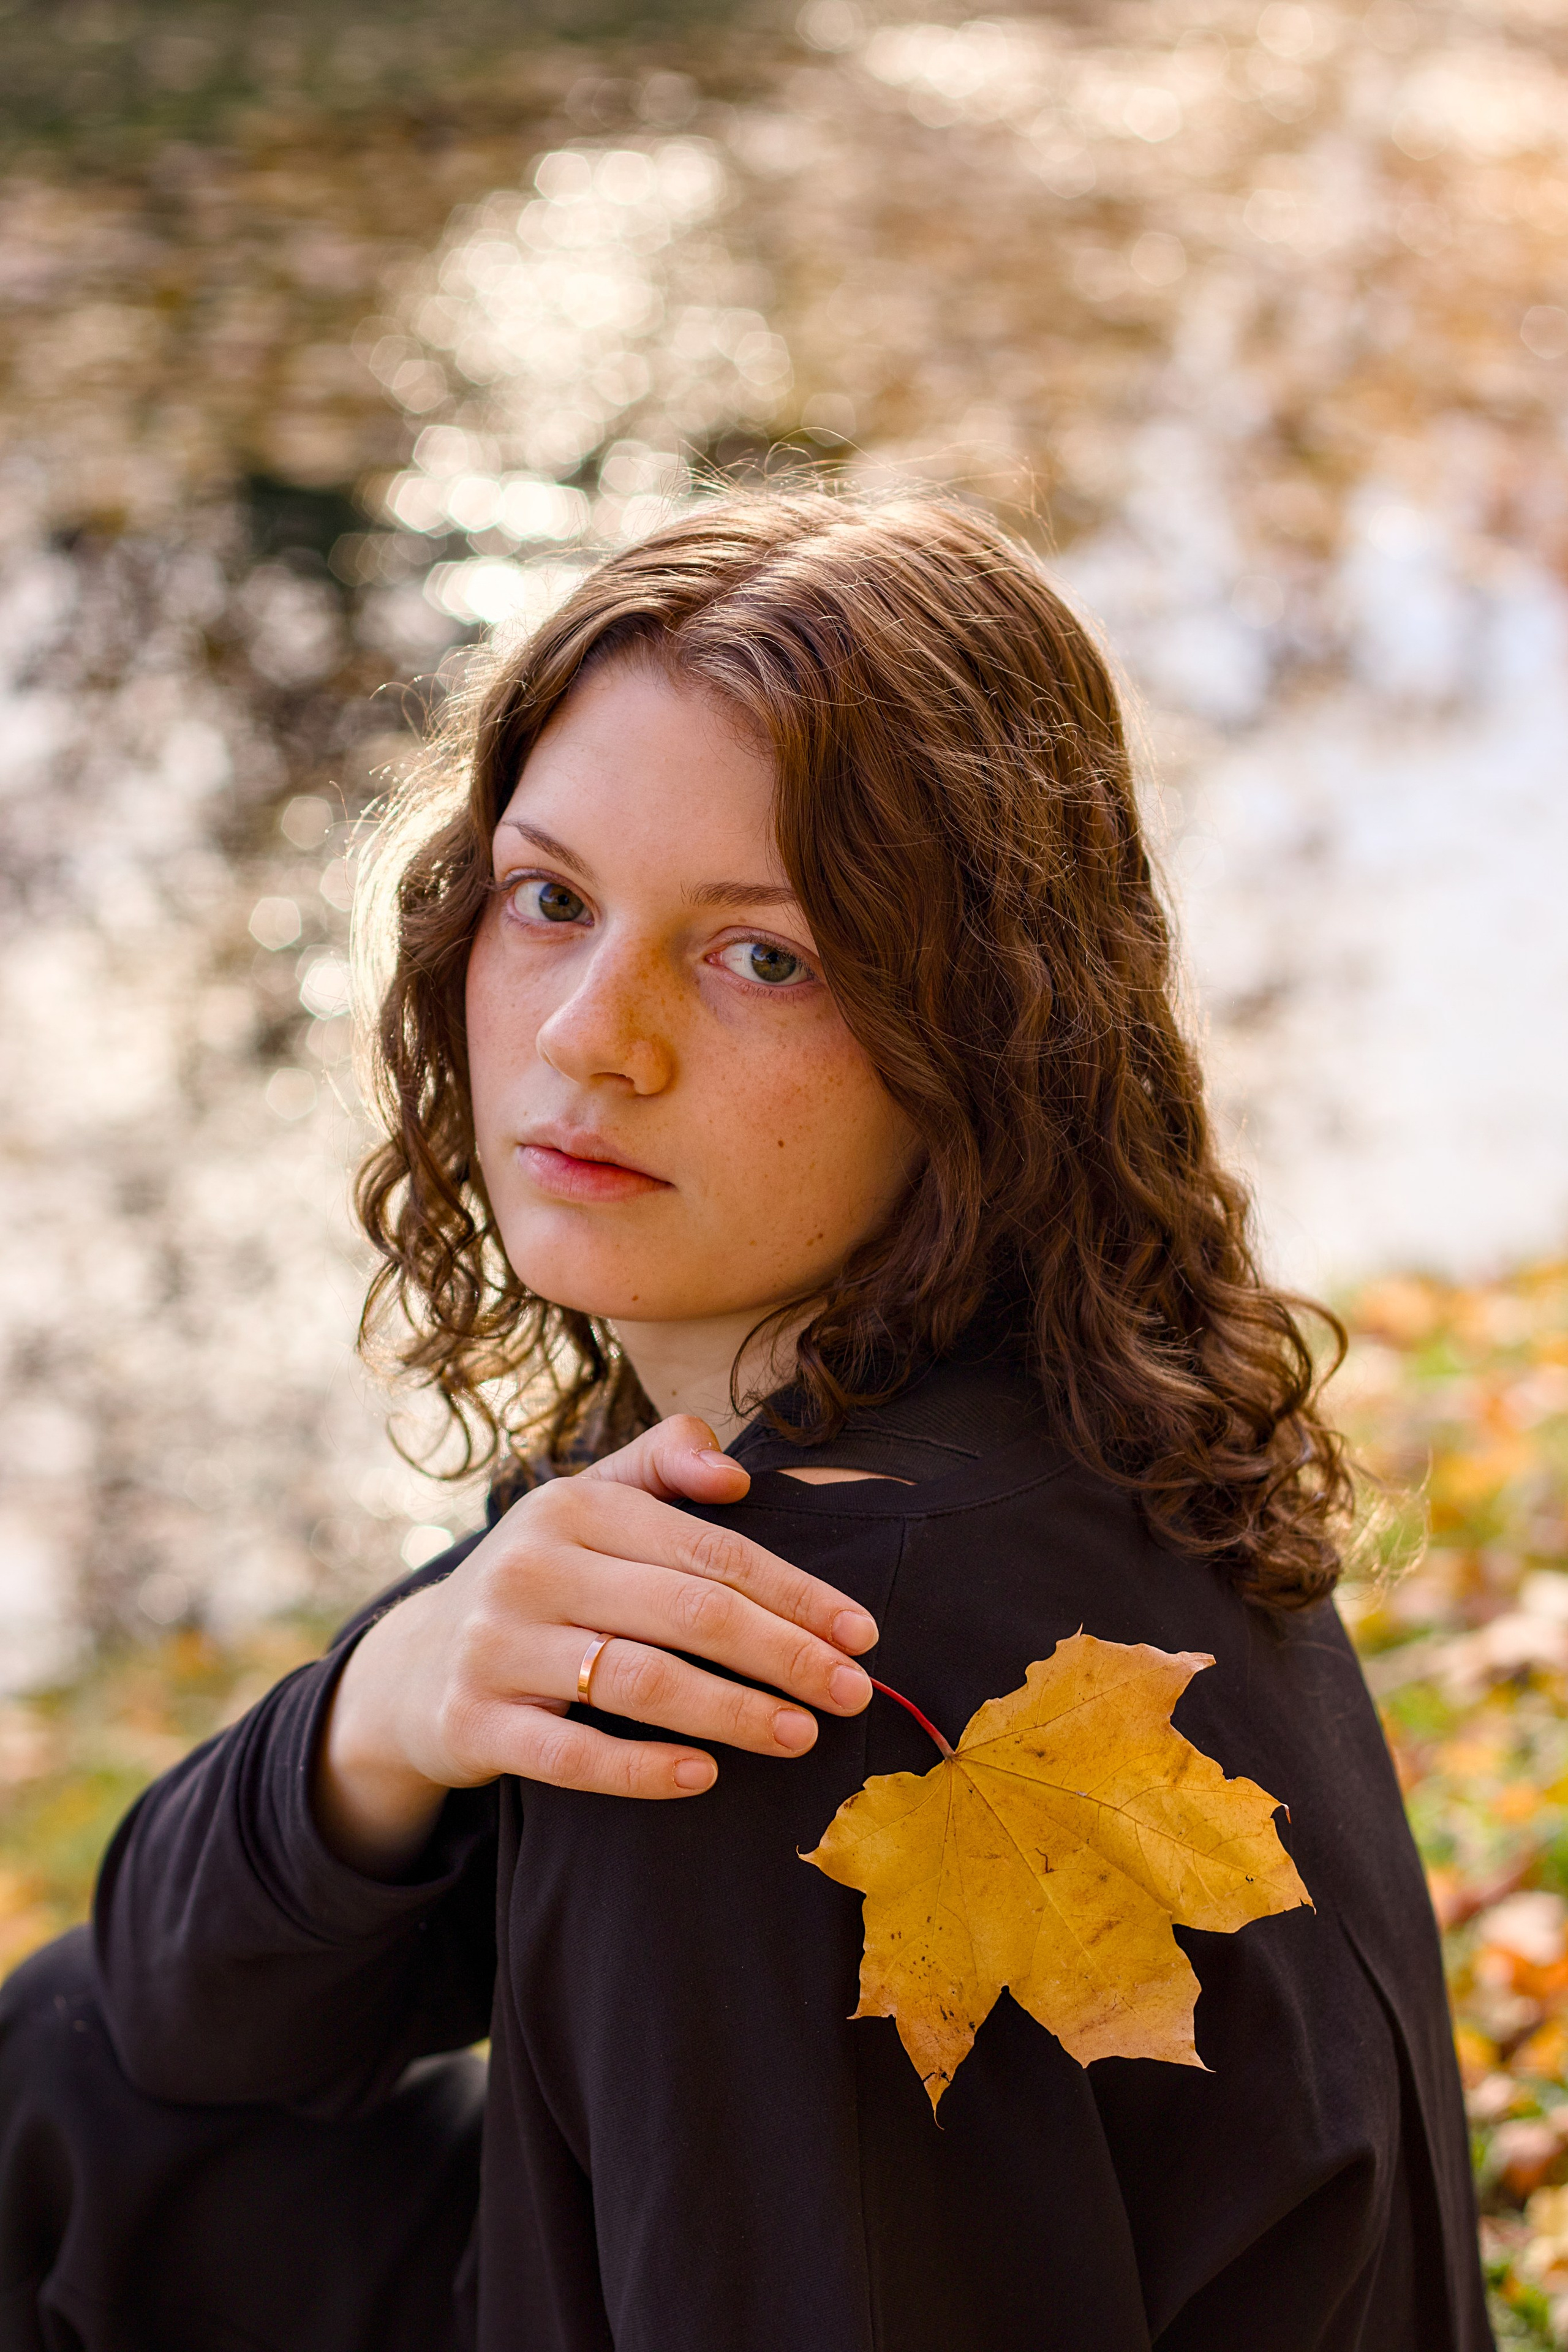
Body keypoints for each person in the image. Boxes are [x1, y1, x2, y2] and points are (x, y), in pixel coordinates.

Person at [0, 494, 1491, 2351]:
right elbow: (175, 2007)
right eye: (550, 901)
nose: (586, 1037)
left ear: (980, 1020)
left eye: (758, 955)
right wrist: (388, 1704)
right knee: (65, 2094)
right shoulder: (1013, 1400)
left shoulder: (765, 1687)